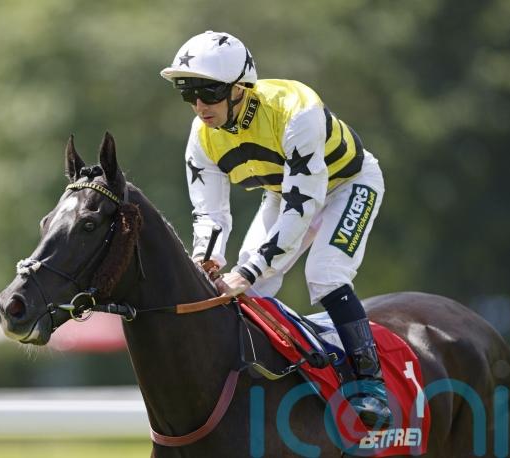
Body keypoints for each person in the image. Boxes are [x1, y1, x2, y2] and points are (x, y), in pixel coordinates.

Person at [161, 30, 391, 428]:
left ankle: (371, 384)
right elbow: (210, 215)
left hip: (348, 184)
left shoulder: (297, 110)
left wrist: (248, 270)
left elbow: (305, 206)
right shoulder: (201, 137)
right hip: (285, 193)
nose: (199, 106)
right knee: (249, 289)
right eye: (188, 94)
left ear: (240, 88)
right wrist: (206, 260)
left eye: (208, 92)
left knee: (324, 274)